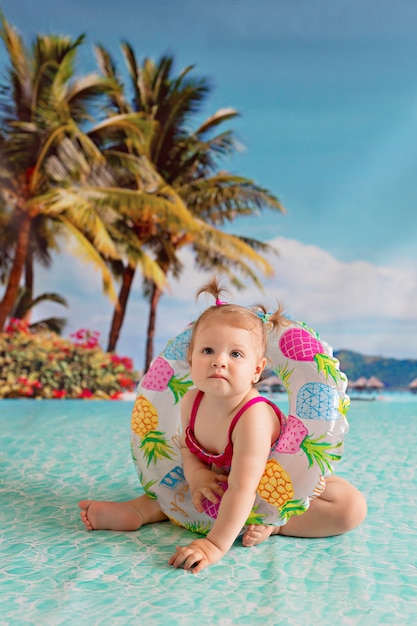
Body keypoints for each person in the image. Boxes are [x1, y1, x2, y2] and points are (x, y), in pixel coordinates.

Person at [79, 278, 367, 574]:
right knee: (175, 491)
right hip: (219, 484)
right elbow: (186, 448)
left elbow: (243, 488)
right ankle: (137, 511)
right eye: (207, 351)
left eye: (235, 354)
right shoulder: (191, 401)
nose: (219, 362)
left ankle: (276, 525)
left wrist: (214, 545)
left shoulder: (252, 418)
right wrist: (197, 475)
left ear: (256, 370)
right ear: (190, 360)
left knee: (349, 506)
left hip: (269, 488)